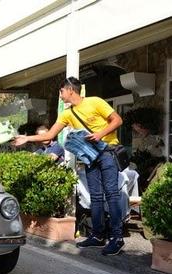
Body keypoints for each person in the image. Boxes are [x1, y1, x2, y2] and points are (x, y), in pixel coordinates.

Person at [12, 77, 124, 256]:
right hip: (90, 156)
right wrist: (27, 138)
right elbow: (50, 135)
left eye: (61, 91)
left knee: (111, 194)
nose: (60, 95)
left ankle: (117, 238)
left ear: (70, 90)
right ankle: (98, 236)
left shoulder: (95, 102)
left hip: (107, 152)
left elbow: (117, 120)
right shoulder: (66, 114)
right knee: (95, 196)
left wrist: (99, 134)